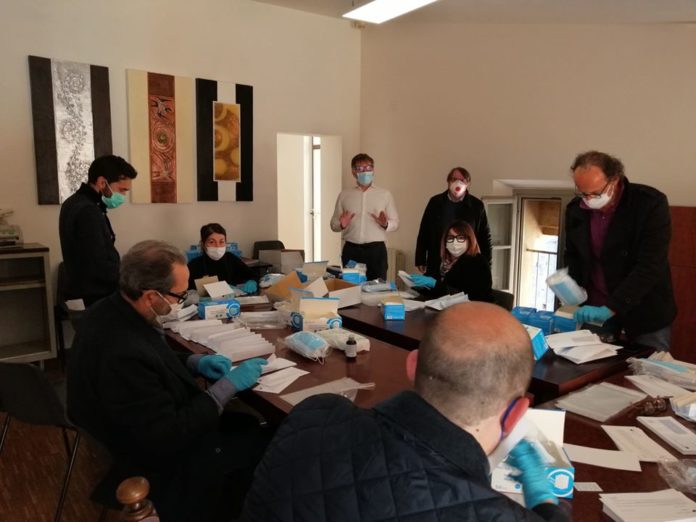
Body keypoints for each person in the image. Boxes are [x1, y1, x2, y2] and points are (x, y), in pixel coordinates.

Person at [242, 302, 570, 521]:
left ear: (411, 365)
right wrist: (545, 507)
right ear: (516, 414)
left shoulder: (315, 413)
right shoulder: (497, 513)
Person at [67, 240, 272, 521]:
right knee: (268, 443)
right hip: (159, 456)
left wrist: (194, 361)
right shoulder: (122, 352)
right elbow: (169, 434)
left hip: (141, 425)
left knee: (246, 423)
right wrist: (226, 388)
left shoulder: (110, 311)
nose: (182, 301)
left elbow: (150, 358)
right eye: (179, 295)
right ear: (152, 296)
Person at [565, 151, 677, 351]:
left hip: (644, 308)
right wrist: (570, 285)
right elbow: (574, 254)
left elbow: (650, 265)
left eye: (595, 193)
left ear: (614, 180)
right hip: (596, 306)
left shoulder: (649, 203)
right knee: (590, 364)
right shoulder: (576, 209)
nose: (588, 199)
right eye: (582, 193)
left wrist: (612, 307)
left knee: (648, 366)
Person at [58, 154, 137, 307]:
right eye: (122, 190)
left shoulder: (74, 202)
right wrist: (130, 279)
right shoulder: (87, 211)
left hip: (85, 292)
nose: (123, 196)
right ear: (102, 182)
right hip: (93, 297)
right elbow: (97, 263)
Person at [330, 153, 399, 280]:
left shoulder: (384, 194)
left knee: (377, 287)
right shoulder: (345, 195)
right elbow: (333, 224)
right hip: (351, 250)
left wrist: (385, 224)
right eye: (360, 168)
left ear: (373, 169)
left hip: (376, 251)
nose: (365, 172)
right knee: (351, 286)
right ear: (353, 172)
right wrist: (341, 224)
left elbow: (395, 223)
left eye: (368, 168)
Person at [415, 166, 492, 275]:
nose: (458, 183)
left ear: (467, 183)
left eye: (462, 180)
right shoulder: (435, 202)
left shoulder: (477, 206)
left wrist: (486, 266)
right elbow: (424, 231)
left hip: (466, 264)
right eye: (454, 179)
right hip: (437, 260)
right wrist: (420, 258)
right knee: (436, 285)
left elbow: (485, 238)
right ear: (448, 181)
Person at [409, 220, 493, 302]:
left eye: (461, 238)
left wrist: (434, 283)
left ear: (470, 240)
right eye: (450, 238)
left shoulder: (477, 262)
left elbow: (465, 296)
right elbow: (439, 292)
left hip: (475, 308)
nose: (455, 242)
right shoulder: (444, 262)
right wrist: (419, 286)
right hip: (447, 306)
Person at [187, 222, 257, 293]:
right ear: (203, 244)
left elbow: (253, 275)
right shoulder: (194, 265)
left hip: (232, 299)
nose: (217, 246)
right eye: (212, 242)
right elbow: (185, 290)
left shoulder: (231, 259)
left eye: (221, 242)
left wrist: (252, 281)